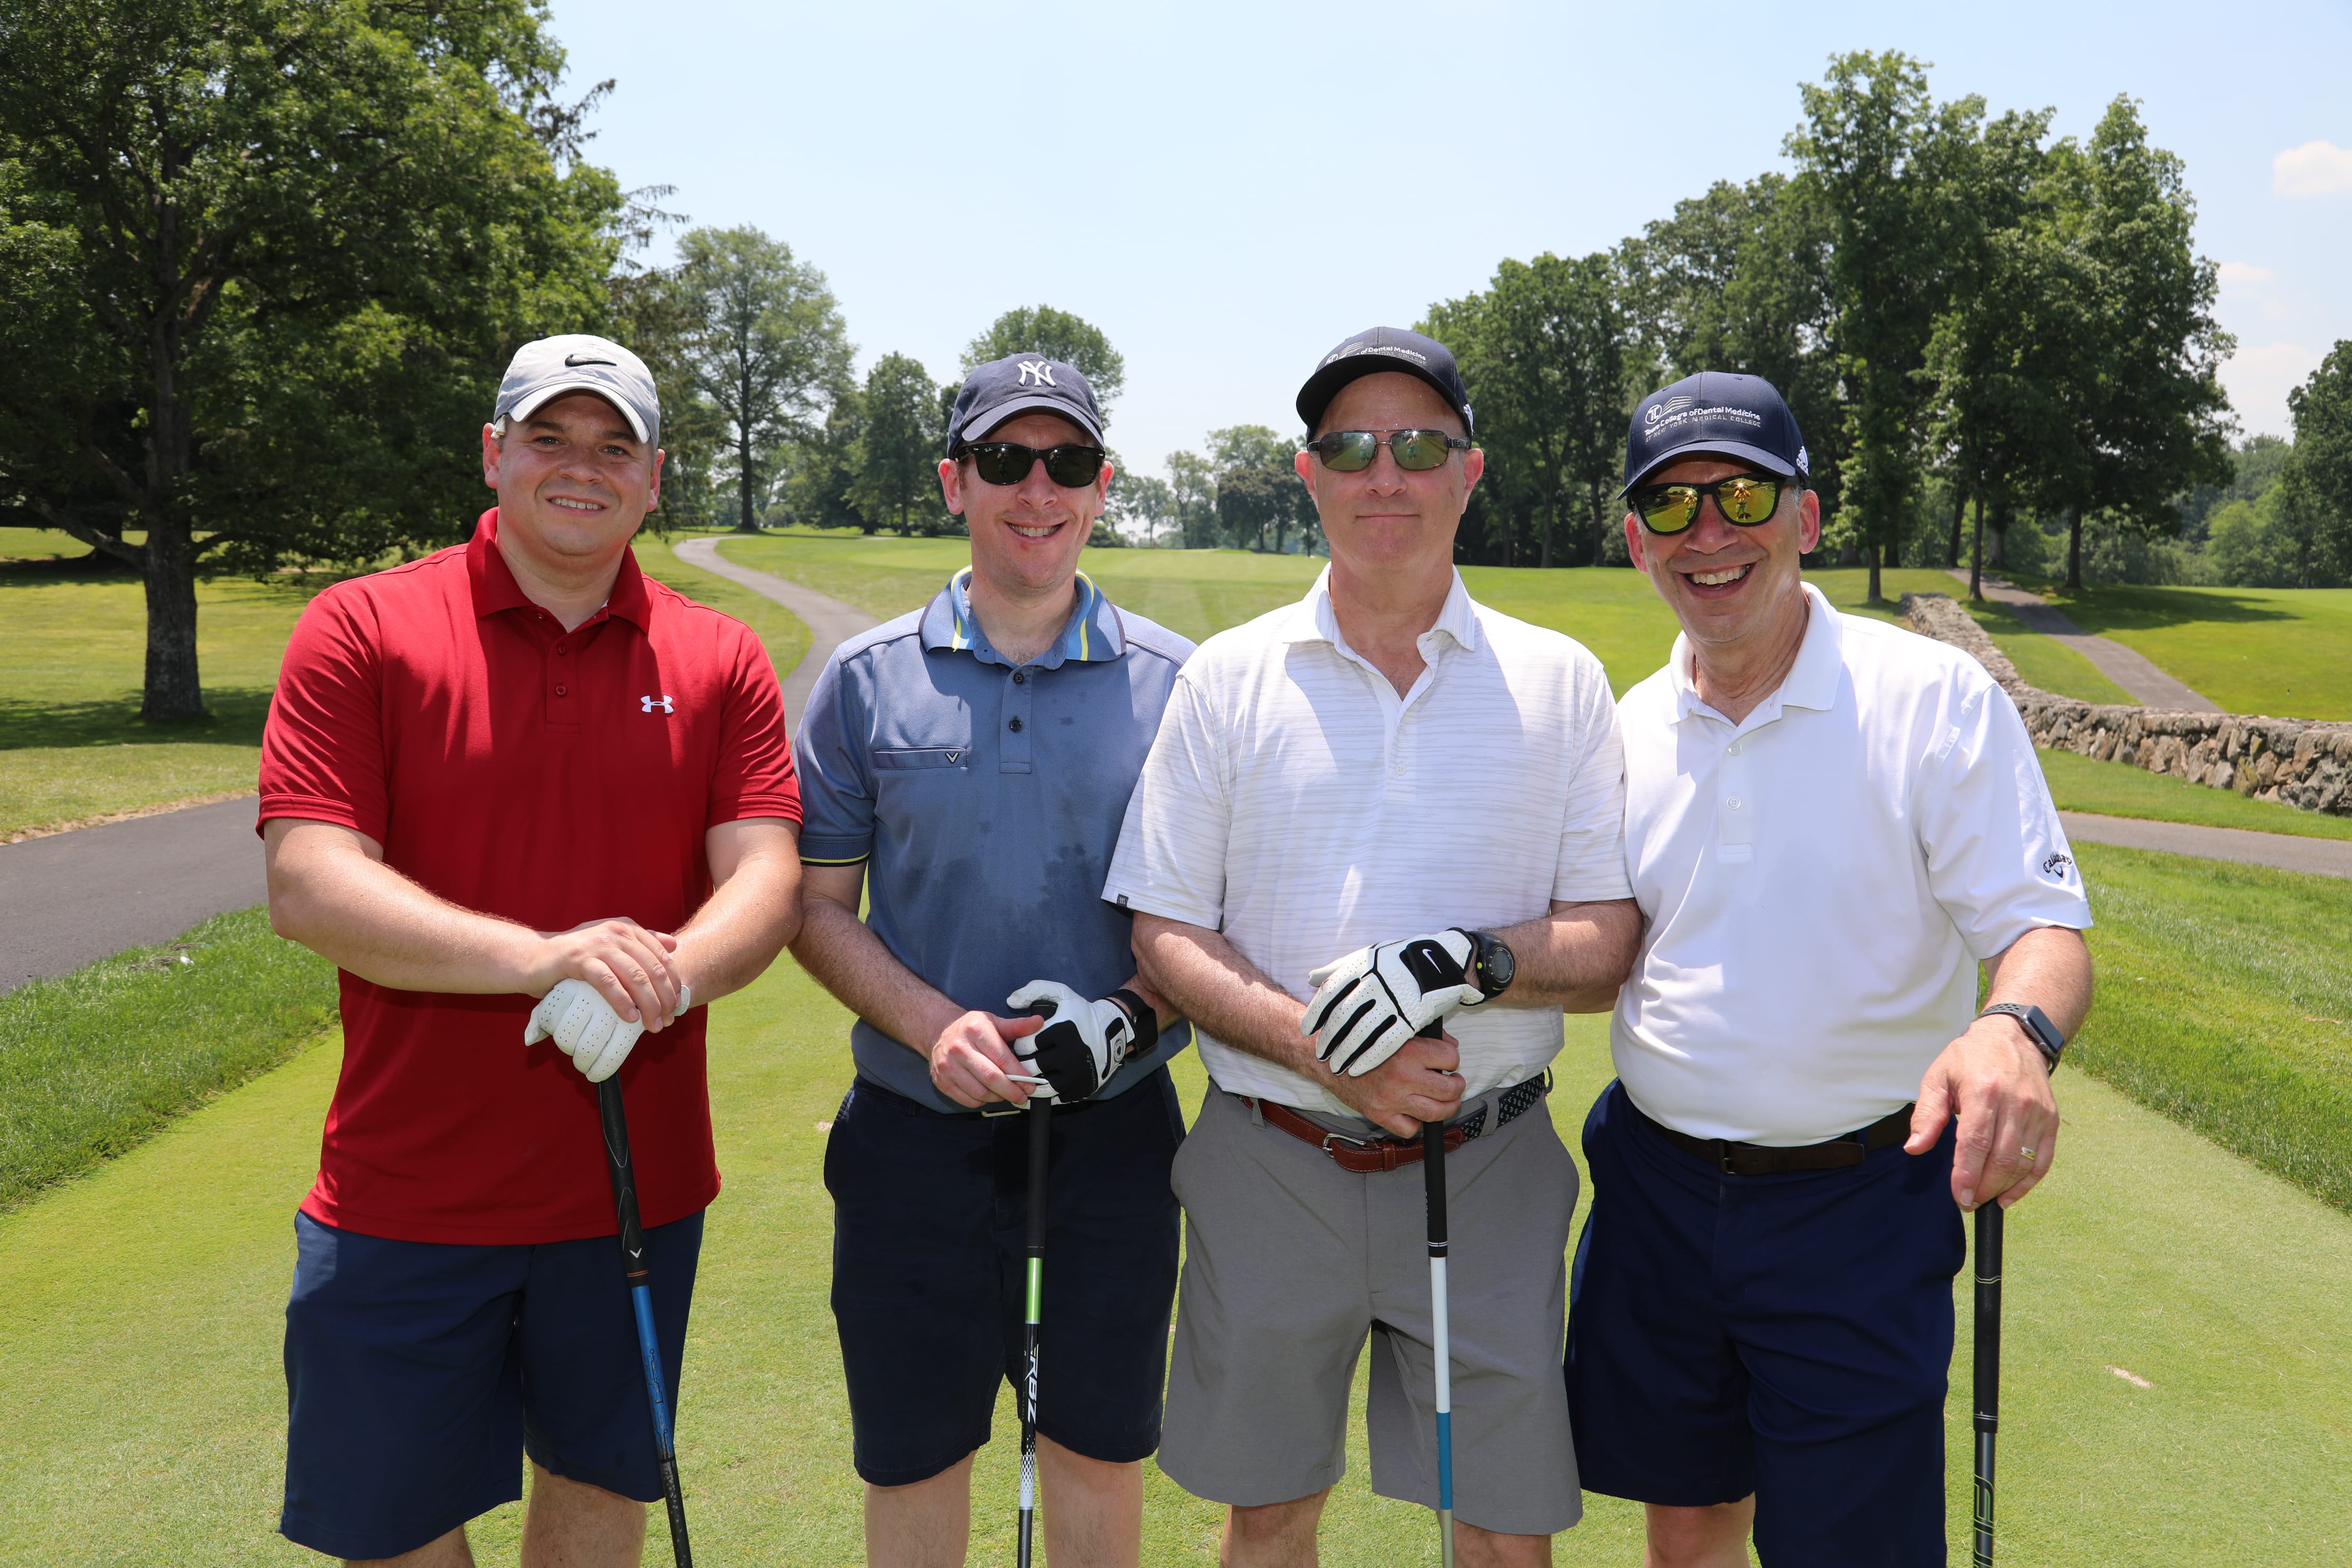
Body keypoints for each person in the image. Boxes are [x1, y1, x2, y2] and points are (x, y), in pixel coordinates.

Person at [259, 334, 805, 1568]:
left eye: (614, 447)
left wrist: (660, 977)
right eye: (549, 439)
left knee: (599, 1494)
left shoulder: (718, 659)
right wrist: (544, 960)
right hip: (406, 1188)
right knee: (390, 1530)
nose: (581, 469)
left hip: (635, 1189)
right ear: (495, 454)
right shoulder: (362, 628)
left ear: (654, 479)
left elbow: (766, 879)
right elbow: (309, 880)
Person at [1105, 327, 1642, 1568]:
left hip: (1493, 1165)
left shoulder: (1559, 683)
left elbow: (1608, 941)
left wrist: (1468, 961)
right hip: (1271, 1159)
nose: (1383, 474)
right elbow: (1165, 928)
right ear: (1309, 475)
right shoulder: (1230, 679)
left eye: (1419, 446)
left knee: (1504, 1530)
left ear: (1470, 471)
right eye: (1351, 446)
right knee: (1270, 1517)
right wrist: (1324, 1051)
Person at [1566, 371, 2095, 1567]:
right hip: (1654, 1191)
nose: (1709, 532)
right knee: (1686, 1525)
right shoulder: (1625, 724)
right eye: (1670, 505)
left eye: (1742, 492)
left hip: (1858, 1205)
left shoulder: (1931, 697)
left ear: (1804, 518)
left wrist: (2016, 1030)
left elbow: (2045, 929)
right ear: (1636, 539)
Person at [788, 353, 1195, 1568]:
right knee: (916, 1452)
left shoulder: (1180, 686)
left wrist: (1126, 1015)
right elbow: (815, 907)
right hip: (913, 1131)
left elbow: (1214, 918)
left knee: (1097, 1449)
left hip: (1115, 1136)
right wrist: (933, 1026)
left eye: (1067, 463)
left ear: (1103, 486)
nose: (1038, 490)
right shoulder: (866, 681)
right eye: (1007, 461)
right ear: (954, 480)